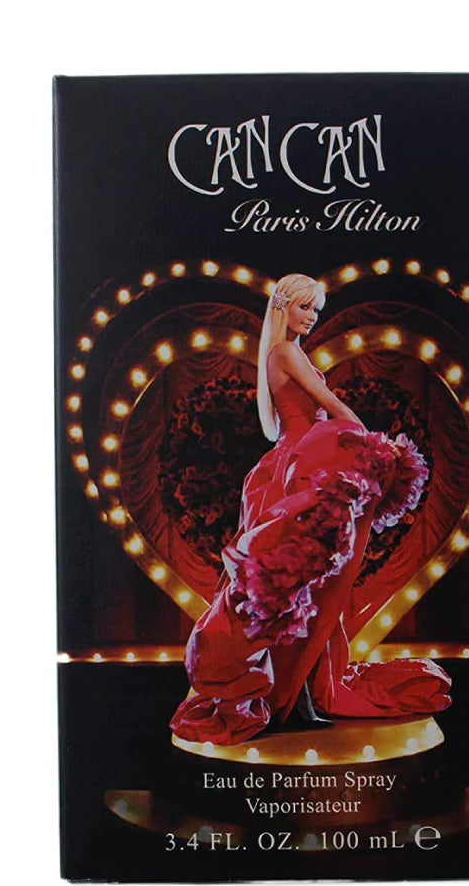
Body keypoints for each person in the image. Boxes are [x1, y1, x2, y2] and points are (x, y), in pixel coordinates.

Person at [170, 273, 451, 745]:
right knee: (294, 589)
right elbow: (328, 402)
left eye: (316, 310)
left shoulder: (283, 354)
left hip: (298, 464)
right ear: (284, 307)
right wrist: (370, 441)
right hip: (300, 467)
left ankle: (299, 692)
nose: (312, 317)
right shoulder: (285, 352)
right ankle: (289, 694)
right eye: (305, 307)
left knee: (307, 590)